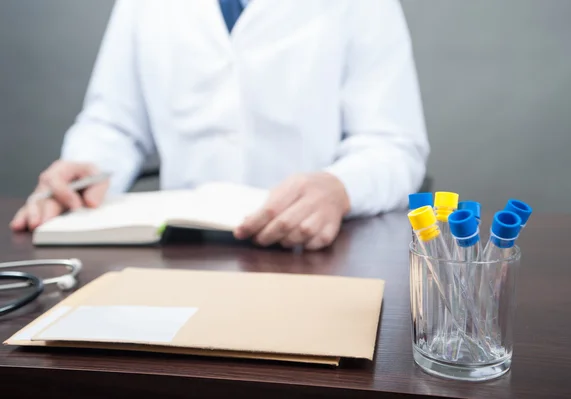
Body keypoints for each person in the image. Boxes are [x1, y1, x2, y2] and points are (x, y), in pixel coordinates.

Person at [10, 0, 430, 250]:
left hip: (313, 250)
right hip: (177, 250)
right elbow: (114, 124)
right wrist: (86, 166)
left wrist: (340, 189)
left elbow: (393, 144)